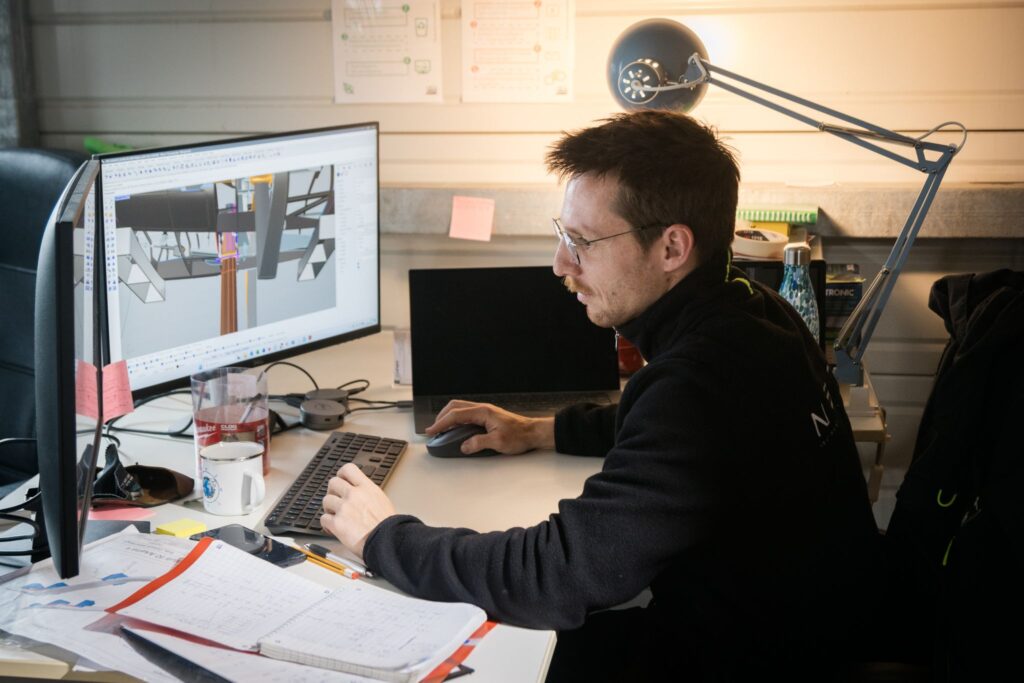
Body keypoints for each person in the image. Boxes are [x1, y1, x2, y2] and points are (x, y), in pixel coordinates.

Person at [320, 110, 882, 680]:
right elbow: (684, 441)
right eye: (564, 235)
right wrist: (541, 429)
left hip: (744, 661)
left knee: (468, 656)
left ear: (672, 247)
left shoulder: (696, 387)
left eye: (583, 241)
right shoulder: (760, 313)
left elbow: (556, 575)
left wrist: (384, 538)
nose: (561, 263)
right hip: (806, 628)